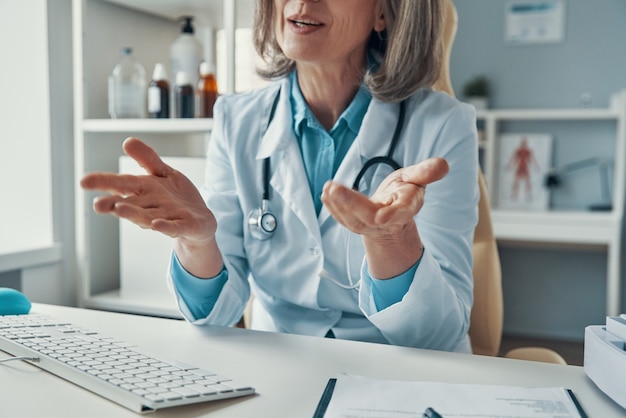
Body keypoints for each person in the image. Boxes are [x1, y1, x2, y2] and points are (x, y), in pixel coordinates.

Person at [81, 0, 479, 353]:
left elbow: (439, 336)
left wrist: (392, 240)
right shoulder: (236, 119)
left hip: (400, 372)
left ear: (383, 12)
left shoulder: (443, 124)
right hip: (282, 366)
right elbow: (216, 316)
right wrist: (199, 242)